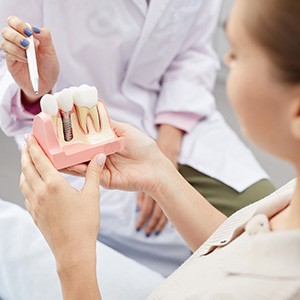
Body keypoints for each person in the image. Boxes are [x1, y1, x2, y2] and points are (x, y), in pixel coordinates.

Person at [17, 0, 300, 298]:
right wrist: (159, 174)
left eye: (237, 54)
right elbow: (246, 254)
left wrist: (73, 257)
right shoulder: (287, 204)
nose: (227, 58)